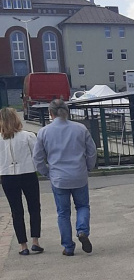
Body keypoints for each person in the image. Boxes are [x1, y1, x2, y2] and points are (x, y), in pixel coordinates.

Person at [33, 98, 97, 257]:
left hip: (58, 177)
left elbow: (37, 158)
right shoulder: (80, 128)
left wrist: (46, 172)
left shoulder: (44, 132)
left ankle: (68, 247)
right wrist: (88, 167)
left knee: (63, 212)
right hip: (79, 175)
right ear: (67, 112)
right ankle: (82, 231)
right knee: (82, 206)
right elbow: (92, 151)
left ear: (50, 113)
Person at [0, 107, 43, 256]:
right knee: (34, 207)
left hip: (7, 175)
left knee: (16, 210)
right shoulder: (28, 136)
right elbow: (37, 155)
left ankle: (22, 245)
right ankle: (35, 241)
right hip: (28, 173)